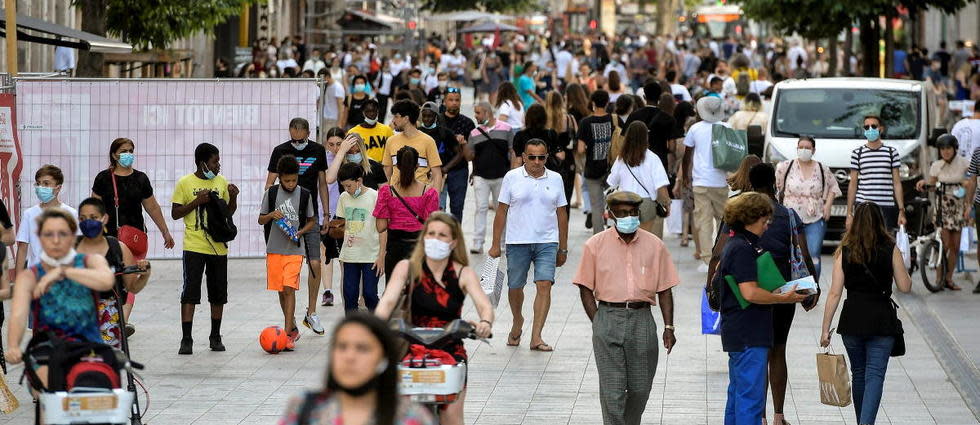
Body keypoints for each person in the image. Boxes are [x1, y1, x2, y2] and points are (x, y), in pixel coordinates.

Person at [712, 164, 818, 425]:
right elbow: (750, 292)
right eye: (764, 221)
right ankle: (774, 415)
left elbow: (717, 256)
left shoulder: (741, 244)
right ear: (751, 219)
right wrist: (784, 297)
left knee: (738, 393)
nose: (768, 224)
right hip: (750, 329)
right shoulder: (744, 249)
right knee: (750, 395)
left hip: (742, 329)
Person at [374, 212, 494, 425]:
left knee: (452, 416)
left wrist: (485, 322)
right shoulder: (407, 268)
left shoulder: (463, 273)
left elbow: (484, 305)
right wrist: (374, 328)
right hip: (410, 346)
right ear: (423, 237)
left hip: (450, 348)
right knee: (404, 414)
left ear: (453, 242)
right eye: (431, 234)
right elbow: (387, 302)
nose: (435, 239)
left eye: (442, 235)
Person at [572, 190, 678, 425]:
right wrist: (598, 321)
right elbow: (584, 286)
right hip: (608, 316)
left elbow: (665, 289)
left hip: (642, 319)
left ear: (638, 213)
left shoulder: (655, 245)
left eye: (631, 213)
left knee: (640, 388)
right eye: (622, 214)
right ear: (610, 215)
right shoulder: (595, 245)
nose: (627, 217)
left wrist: (668, 326)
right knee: (613, 391)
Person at [820, 202, 912, 425]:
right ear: (880, 222)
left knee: (859, 374)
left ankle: (863, 422)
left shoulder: (845, 251)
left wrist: (825, 330)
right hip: (882, 321)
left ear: (855, 222)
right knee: (874, 376)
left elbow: (834, 293)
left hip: (852, 321)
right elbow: (905, 286)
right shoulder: (890, 249)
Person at [4, 208, 115, 385]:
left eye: (62, 234)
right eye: (48, 235)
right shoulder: (30, 276)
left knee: (103, 386)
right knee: (47, 386)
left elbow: (106, 280)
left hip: (89, 347)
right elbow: (18, 315)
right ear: (39, 238)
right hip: (48, 349)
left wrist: (63, 271)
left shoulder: (90, 261)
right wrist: (13, 346)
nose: (55, 241)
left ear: (72, 236)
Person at [277, 313, 437, 425]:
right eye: (342, 347)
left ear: (383, 359)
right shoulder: (304, 409)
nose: (349, 357)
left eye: (362, 348)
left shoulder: (411, 418)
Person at [489, 139, 569, 352]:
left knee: (544, 284)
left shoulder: (556, 178)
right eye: (531, 157)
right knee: (515, 286)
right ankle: (517, 321)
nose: (536, 161)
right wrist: (495, 244)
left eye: (541, 157)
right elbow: (501, 211)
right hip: (517, 241)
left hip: (547, 241)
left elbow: (562, 214)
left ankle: (536, 336)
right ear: (523, 157)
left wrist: (563, 247)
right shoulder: (511, 177)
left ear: (546, 157)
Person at [171, 142, 239, 355]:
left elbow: (228, 213)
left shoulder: (221, 182)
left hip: (218, 247)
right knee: (190, 292)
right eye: (215, 161)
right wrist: (196, 201)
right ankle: (186, 338)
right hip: (194, 246)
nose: (218, 165)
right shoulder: (185, 183)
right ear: (203, 163)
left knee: (218, 293)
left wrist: (234, 196)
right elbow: (175, 213)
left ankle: (215, 336)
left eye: (218, 161)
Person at [266, 118, 332, 331]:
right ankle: (289, 320)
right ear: (289, 133)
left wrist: (327, 214)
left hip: (309, 216)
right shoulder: (279, 151)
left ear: (308, 133)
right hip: (284, 219)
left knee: (315, 263)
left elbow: (322, 184)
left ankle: (311, 312)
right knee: (282, 275)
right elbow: (269, 184)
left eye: (301, 139)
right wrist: (272, 210)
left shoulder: (318, 150)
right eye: (294, 140)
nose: (298, 143)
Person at [75, 198, 152, 349]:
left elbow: (132, 287)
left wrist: (145, 275)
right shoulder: (69, 248)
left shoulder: (118, 248)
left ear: (105, 219)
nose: (88, 222)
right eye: (83, 218)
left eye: (93, 218)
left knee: (105, 365)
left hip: (108, 316)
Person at [260, 156, 317, 350]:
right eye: (287, 180)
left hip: (295, 248)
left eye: (294, 180)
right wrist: (270, 215)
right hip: (274, 248)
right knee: (280, 290)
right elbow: (261, 220)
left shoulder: (305, 195)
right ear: (279, 178)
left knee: (289, 288)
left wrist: (301, 232)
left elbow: (311, 219)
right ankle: (291, 323)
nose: (291, 184)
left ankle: (286, 335)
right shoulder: (271, 193)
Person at [775, 136, 841, 279]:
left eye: (807, 148)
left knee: (813, 254)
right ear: (797, 148)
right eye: (801, 147)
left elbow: (834, 187)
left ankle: (812, 288)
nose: (804, 150)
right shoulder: (785, 166)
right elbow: (776, 188)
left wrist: (828, 206)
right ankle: (792, 285)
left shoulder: (822, 169)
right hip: (790, 217)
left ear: (813, 150)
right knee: (789, 252)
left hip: (815, 217)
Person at [374, 146, 440, 278]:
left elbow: (381, 227)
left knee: (395, 291)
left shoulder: (386, 192)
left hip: (394, 249)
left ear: (397, 166)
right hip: (419, 249)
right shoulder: (429, 193)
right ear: (417, 166)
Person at [681, 96, 731, 266]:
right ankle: (722, 255)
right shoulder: (726, 128)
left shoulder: (695, 129)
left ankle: (708, 259)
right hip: (721, 182)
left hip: (700, 182)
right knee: (722, 221)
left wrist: (686, 178)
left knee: (704, 221)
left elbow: (687, 156)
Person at [916, 134, 969, 290]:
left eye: (948, 148)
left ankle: (949, 278)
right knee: (944, 244)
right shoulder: (936, 166)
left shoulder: (964, 163)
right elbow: (931, 184)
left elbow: (972, 182)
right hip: (943, 207)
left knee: (956, 245)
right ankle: (939, 278)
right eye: (942, 149)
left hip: (959, 206)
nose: (945, 152)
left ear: (955, 149)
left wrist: (967, 189)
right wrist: (923, 183)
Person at [466, 101, 515, 254]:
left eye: (478, 113)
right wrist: (464, 145)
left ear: (487, 112)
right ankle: (477, 242)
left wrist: (512, 173)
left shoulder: (506, 129)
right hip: (481, 176)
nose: (476, 116)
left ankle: (503, 242)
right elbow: (469, 156)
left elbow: (512, 152)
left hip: (502, 176)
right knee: (480, 208)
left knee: (501, 210)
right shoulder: (474, 133)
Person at [607, 121, 671, 236]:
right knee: (646, 240)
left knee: (627, 239)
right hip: (646, 203)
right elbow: (661, 186)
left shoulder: (621, 159)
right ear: (645, 137)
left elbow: (612, 181)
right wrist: (666, 203)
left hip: (625, 203)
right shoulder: (653, 158)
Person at [336, 164, 384, 313]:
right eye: (344, 186)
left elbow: (383, 229)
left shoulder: (375, 196)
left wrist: (382, 255)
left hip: (371, 255)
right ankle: (351, 331)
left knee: (370, 294)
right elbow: (342, 223)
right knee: (349, 296)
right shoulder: (344, 197)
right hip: (350, 255)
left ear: (359, 180)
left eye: (349, 186)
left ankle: (379, 325)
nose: (346, 190)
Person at [847, 115, 906, 230]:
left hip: (886, 206)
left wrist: (901, 210)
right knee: (864, 243)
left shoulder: (891, 152)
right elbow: (853, 184)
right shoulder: (857, 153)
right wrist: (849, 213)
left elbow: (897, 183)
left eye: (874, 126)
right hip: (864, 206)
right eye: (866, 127)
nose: (870, 129)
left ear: (881, 129)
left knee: (884, 243)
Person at [16, 165, 79, 273]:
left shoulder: (71, 214)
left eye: (46, 184)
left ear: (58, 188)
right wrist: (18, 282)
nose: (40, 187)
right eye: (38, 183)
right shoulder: (29, 214)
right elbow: (22, 249)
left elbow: (77, 246)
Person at [382, 100, 444, 191]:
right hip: (396, 198)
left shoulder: (428, 141)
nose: (393, 120)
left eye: (396, 116)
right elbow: (387, 173)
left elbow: (437, 174)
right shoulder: (391, 141)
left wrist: (435, 199)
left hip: (420, 198)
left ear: (406, 118)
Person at [418, 102, 462, 221]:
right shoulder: (417, 132)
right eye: (424, 116)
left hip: (439, 177)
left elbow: (459, 153)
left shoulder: (445, 133)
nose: (427, 119)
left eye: (430, 116)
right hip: (419, 177)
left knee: (438, 207)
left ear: (436, 116)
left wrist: (445, 168)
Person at [578, 90, 615, 235]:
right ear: (607, 102)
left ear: (593, 103)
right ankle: (614, 234)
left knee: (596, 207)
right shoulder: (614, 119)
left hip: (592, 170)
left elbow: (580, 149)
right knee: (614, 204)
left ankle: (599, 237)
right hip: (612, 170)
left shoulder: (585, 122)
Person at [440, 87, 476, 221]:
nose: (454, 103)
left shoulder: (467, 123)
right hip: (439, 169)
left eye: (457, 100)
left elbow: (473, 151)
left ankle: (456, 240)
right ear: (444, 101)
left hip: (459, 171)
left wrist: (475, 170)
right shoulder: (437, 120)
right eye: (450, 100)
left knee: (457, 208)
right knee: (438, 208)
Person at [625, 81, 677, 170]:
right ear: (660, 97)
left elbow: (625, 140)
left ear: (644, 97)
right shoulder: (668, 118)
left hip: (637, 161)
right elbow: (672, 147)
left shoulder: (634, 116)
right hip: (659, 162)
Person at [513, 104, 560, 169]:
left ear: (527, 118)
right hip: (547, 172)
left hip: (527, 173)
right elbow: (560, 155)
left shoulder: (519, 135)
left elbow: (518, 161)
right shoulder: (551, 133)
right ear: (544, 118)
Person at [347, 99, 394, 164]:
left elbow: (392, 150)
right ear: (363, 113)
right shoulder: (353, 132)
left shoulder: (387, 130)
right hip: (363, 168)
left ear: (378, 112)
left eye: (374, 111)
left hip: (383, 168)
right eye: (368, 111)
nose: (372, 114)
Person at [320, 69, 346, 134]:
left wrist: (340, 123)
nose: (321, 81)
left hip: (333, 119)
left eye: (322, 79)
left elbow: (341, 107)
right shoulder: (326, 86)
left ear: (327, 77)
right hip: (325, 117)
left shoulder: (337, 87)